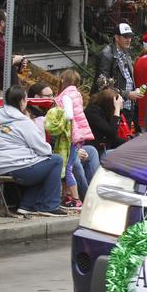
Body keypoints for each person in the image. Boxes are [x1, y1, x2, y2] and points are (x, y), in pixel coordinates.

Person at [0, 85, 66, 217]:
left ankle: (27, 205)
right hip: (14, 165)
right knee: (55, 160)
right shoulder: (22, 121)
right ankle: (49, 205)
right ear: (22, 101)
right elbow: (42, 148)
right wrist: (47, 150)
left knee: (42, 165)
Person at [53, 69, 93, 209]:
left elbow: (69, 115)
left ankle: (75, 199)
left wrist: (57, 118)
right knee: (67, 166)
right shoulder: (76, 94)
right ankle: (68, 196)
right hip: (79, 134)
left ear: (63, 80)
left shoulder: (65, 96)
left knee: (68, 168)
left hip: (70, 135)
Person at [94, 22, 142, 128]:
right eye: (125, 36)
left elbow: (128, 79)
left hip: (127, 106)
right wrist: (127, 94)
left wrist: (135, 91)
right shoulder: (106, 55)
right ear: (116, 37)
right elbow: (103, 85)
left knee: (126, 137)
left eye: (130, 36)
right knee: (117, 141)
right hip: (112, 108)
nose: (129, 39)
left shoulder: (126, 53)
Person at [85, 88, 126, 154]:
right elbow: (111, 133)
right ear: (111, 104)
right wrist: (117, 109)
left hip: (104, 147)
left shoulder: (105, 112)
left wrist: (131, 142)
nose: (122, 102)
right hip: (95, 151)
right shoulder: (92, 113)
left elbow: (113, 138)